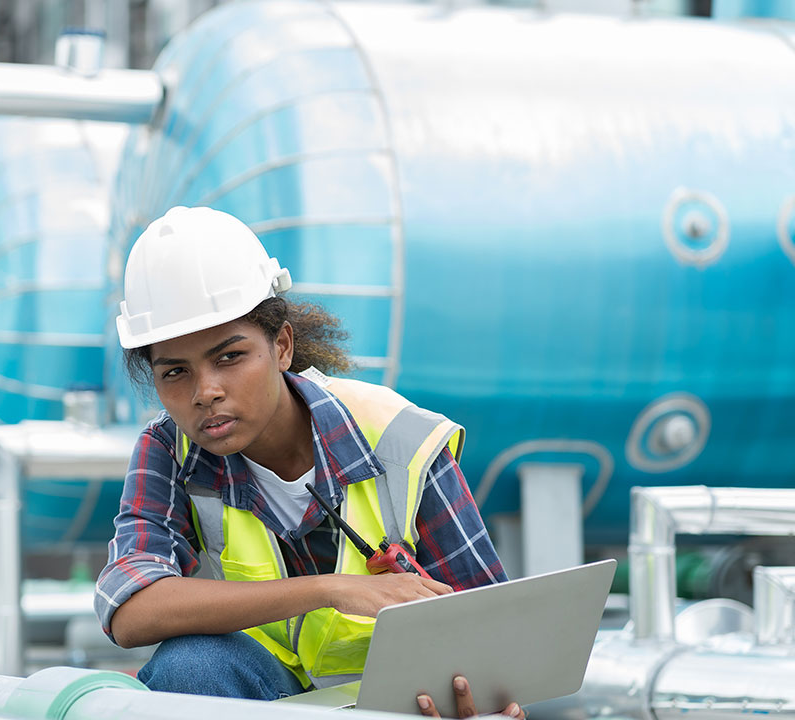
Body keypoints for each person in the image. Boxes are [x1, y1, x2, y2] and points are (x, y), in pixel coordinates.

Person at [94, 207, 519, 716]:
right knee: (190, 667)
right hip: (260, 699)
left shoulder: (399, 439)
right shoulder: (170, 450)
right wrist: (329, 590)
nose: (205, 392)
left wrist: (488, 704)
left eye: (229, 357)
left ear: (282, 346)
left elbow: (490, 627)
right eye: (175, 373)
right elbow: (131, 609)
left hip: (396, 706)